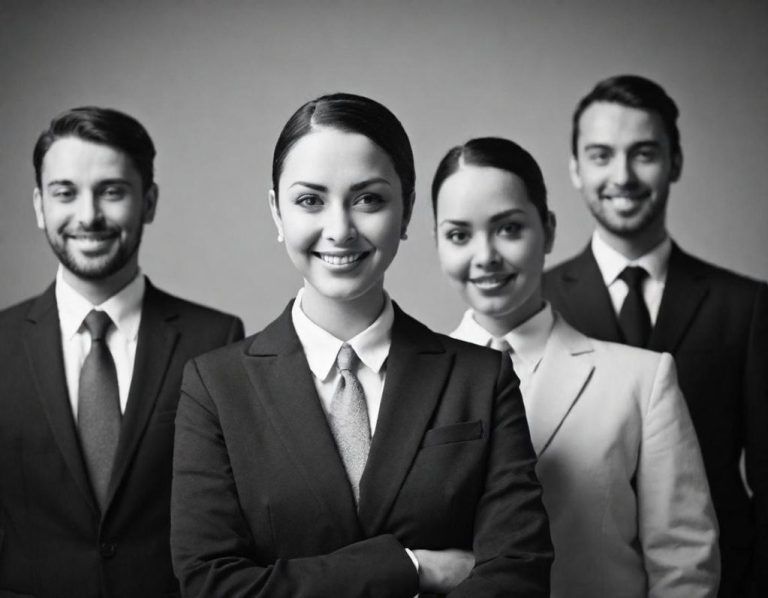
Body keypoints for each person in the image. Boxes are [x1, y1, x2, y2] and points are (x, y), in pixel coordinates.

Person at [170, 93, 553, 597]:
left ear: (408, 208)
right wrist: (410, 567)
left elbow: (519, 575)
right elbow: (210, 584)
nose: (340, 230)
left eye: (368, 199)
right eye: (310, 200)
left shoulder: (482, 377)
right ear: (276, 212)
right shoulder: (215, 386)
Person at [432, 136, 720, 597]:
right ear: (438, 243)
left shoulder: (642, 382)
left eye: (508, 229)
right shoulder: (410, 380)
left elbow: (684, 568)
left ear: (547, 229)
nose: (484, 256)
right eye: (459, 235)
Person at [0, 106, 244, 597]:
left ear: (148, 202)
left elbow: (230, 523)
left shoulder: (215, 341)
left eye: (112, 191)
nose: (88, 215)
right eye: (64, 193)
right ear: (38, 205)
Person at [543, 74, 768, 598]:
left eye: (643, 153)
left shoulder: (748, 307)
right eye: (601, 155)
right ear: (576, 168)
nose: (622, 175)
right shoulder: (538, 301)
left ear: (676, 162)